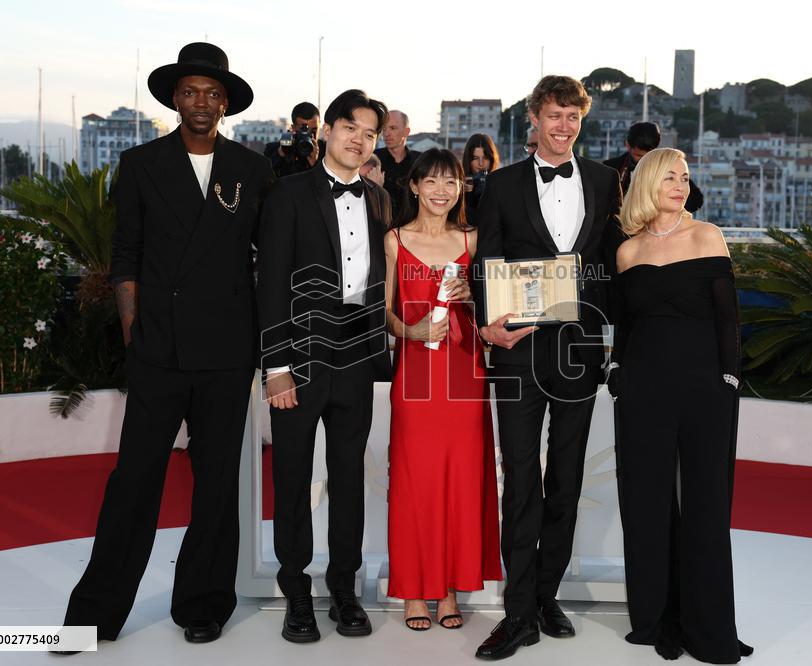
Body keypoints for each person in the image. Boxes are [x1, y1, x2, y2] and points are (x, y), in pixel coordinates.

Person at [59, 42, 272, 649]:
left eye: (212, 93)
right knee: (135, 478)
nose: (200, 102)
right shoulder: (141, 163)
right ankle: (94, 615)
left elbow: (268, 257)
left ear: (224, 102)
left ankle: (203, 604)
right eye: (190, 92)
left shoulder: (252, 170)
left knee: (216, 483)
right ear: (174, 99)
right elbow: (126, 256)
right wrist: (136, 334)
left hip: (228, 350)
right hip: (158, 350)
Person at [471, 75, 623, 661]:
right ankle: (517, 614)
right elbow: (487, 260)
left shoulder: (607, 181)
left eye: (573, 118)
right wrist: (488, 324)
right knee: (520, 479)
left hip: (580, 347)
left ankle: (546, 595)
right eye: (554, 116)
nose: (563, 128)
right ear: (534, 117)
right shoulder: (502, 184)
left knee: (566, 479)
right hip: (519, 349)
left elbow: (616, 255)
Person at [257, 89, 393, 644]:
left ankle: (343, 589)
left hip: (358, 353)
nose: (359, 140)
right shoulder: (288, 193)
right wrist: (276, 366)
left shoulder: (383, 200)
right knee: (291, 476)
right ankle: (295, 592)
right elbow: (268, 285)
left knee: (348, 478)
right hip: (300, 353)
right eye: (350, 128)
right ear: (328, 131)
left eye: (369, 134)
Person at [608, 147, 753, 663]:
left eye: (686, 177)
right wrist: (617, 370)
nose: (681, 184)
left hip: (705, 386)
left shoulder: (707, 236)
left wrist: (730, 375)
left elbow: (728, 317)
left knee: (706, 502)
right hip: (643, 387)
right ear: (647, 182)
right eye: (670, 175)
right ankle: (654, 616)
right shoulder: (627, 251)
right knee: (645, 501)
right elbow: (626, 324)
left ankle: (708, 623)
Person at [384, 149, 502, 632]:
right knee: (416, 480)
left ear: (461, 188)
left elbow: (496, 304)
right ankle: (414, 590)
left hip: (464, 374)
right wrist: (409, 333)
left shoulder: (473, 240)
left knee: (460, 479)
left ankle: (450, 588)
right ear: (413, 186)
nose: (440, 190)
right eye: (430, 181)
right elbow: (384, 311)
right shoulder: (395, 240)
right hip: (415, 374)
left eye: (450, 182)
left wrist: (474, 296)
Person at [603, 121, 704, 213]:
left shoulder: (668, 167)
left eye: (648, 155)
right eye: (639, 156)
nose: (644, 161)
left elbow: (696, 200)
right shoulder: (610, 168)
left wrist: (666, 210)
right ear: (628, 146)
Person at [374, 110, 421, 217]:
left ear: (406, 132)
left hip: (414, 226)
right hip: (381, 226)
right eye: (384, 129)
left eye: (392, 128)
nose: (386, 134)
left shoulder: (420, 161)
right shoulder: (372, 160)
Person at [265, 101, 325, 178]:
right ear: (293, 128)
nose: (309, 135)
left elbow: (330, 186)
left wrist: (315, 163)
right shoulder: (274, 149)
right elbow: (262, 179)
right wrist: (280, 154)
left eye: (313, 130)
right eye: (304, 130)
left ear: (319, 125)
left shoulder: (327, 152)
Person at [462, 133, 500, 224]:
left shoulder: (499, 184)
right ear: (468, 159)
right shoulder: (459, 184)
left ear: (492, 159)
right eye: (475, 158)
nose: (481, 164)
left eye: (485, 158)